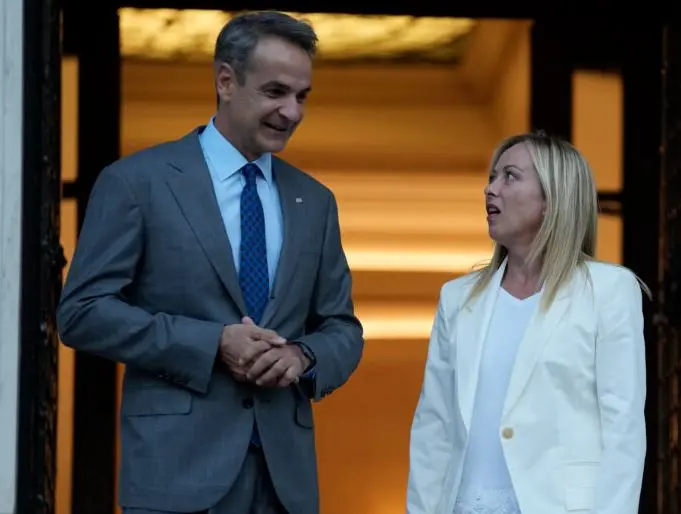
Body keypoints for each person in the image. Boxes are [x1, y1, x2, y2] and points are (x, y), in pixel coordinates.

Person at [57, 11, 363, 514]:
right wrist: (212, 342)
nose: (291, 112)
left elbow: (342, 328)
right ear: (225, 81)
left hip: (284, 485)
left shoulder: (315, 201)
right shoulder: (136, 182)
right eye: (275, 92)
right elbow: (82, 313)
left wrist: (302, 356)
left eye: (302, 96)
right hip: (174, 476)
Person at [406, 132, 647, 514]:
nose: (490, 189)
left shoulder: (609, 290)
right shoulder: (457, 298)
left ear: (552, 199)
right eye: (492, 177)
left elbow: (624, 428)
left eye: (510, 176)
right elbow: (433, 425)